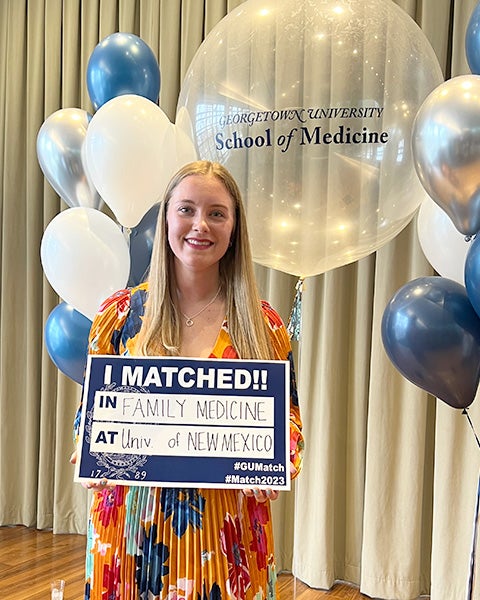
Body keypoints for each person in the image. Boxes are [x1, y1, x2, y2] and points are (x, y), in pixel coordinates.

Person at [73, 160, 304, 600]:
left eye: (217, 213)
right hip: (130, 529)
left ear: (234, 229)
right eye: (186, 210)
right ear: (165, 220)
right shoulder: (118, 316)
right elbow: (89, 413)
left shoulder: (263, 324)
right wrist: (87, 450)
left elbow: (289, 421)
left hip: (227, 532)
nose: (201, 225)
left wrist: (279, 464)